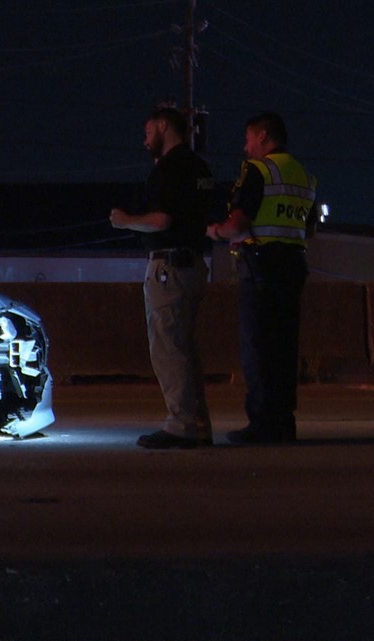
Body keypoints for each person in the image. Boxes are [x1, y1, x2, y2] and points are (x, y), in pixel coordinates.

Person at [206, 112, 318, 444]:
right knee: (284, 350)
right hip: (293, 266)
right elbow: (308, 229)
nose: (245, 147)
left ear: (264, 136)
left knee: (258, 349)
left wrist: (215, 231)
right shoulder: (303, 175)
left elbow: (238, 224)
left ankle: (262, 425)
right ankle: (283, 422)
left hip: (262, 269)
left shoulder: (258, 171)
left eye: (248, 139)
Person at [110, 107, 215, 449]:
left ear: (163, 126)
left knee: (168, 347)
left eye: (148, 130)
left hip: (169, 267)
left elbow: (160, 221)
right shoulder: (200, 167)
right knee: (184, 347)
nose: (145, 139)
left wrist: (125, 220)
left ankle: (182, 425)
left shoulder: (168, 169)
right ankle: (197, 423)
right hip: (196, 264)